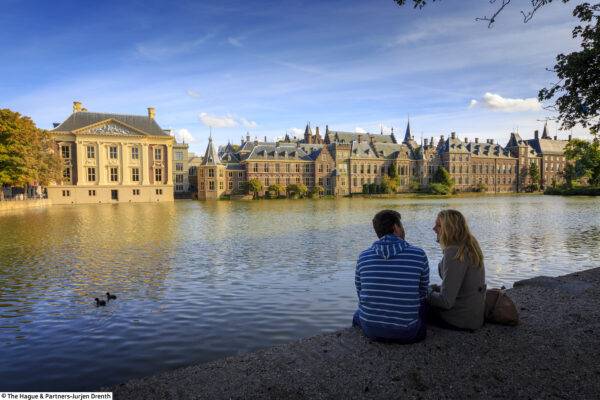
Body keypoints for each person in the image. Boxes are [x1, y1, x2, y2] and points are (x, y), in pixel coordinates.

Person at [353, 210, 429, 343]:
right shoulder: (418, 254)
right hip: (408, 332)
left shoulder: (363, 256)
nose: (403, 229)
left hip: (370, 330)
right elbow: (422, 292)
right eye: (402, 225)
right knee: (424, 308)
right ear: (395, 227)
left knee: (357, 314)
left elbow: (360, 292)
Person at [427, 209, 486, 331]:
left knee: (415, 306)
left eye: (438, 225)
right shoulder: (470, 245)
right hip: (474, 317)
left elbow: (446, 301)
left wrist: (425, 293)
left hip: (460, 320)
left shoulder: (454, 252)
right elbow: (461, 286)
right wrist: (434, 289)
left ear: (450, 229)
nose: (433, 229)